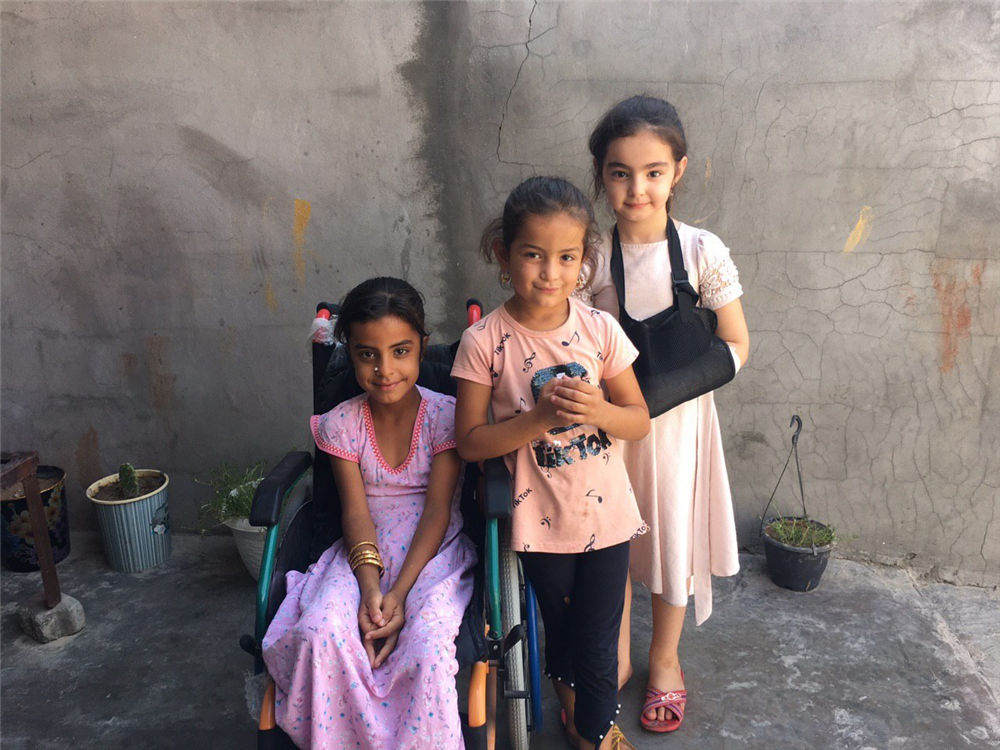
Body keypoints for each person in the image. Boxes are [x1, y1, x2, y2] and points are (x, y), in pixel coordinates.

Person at [452, 176, 650, 750]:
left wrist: (602, 411)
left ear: (584, 259)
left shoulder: (598, 329)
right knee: (563, 628)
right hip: (539, 519)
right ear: (503, 253)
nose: (550, 272)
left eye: (567, 257)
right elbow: (469, 442)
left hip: (607, 515)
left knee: (597, 637)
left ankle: (594, 734)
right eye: (533, 255)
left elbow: (638, 418)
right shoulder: (485, 341)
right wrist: (536, 421)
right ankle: (578, 711)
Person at [586, 94, 751, 733]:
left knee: (670, 540)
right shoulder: (591, 256)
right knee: (609, 539)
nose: (637, 188)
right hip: (604, 430)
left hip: (679, 429)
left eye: (653, 172)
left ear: (678, 171)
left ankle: (664, 660)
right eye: (620, 172)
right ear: (602, 174)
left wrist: (651, 403)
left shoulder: (704, 251)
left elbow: (737, 345)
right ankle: (618, 654)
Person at [262, 277, 477, 750]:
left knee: (429, 647)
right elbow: (355, 514)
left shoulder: (446, 416)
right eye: (367, 354)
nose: (385, 370)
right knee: (320, 631)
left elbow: (439, 511)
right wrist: (371, 589)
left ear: (422, 346)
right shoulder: (342, 423)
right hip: (363, 553)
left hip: (432, 554)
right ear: (350, 352)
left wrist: (398, 595)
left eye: (400, 351)